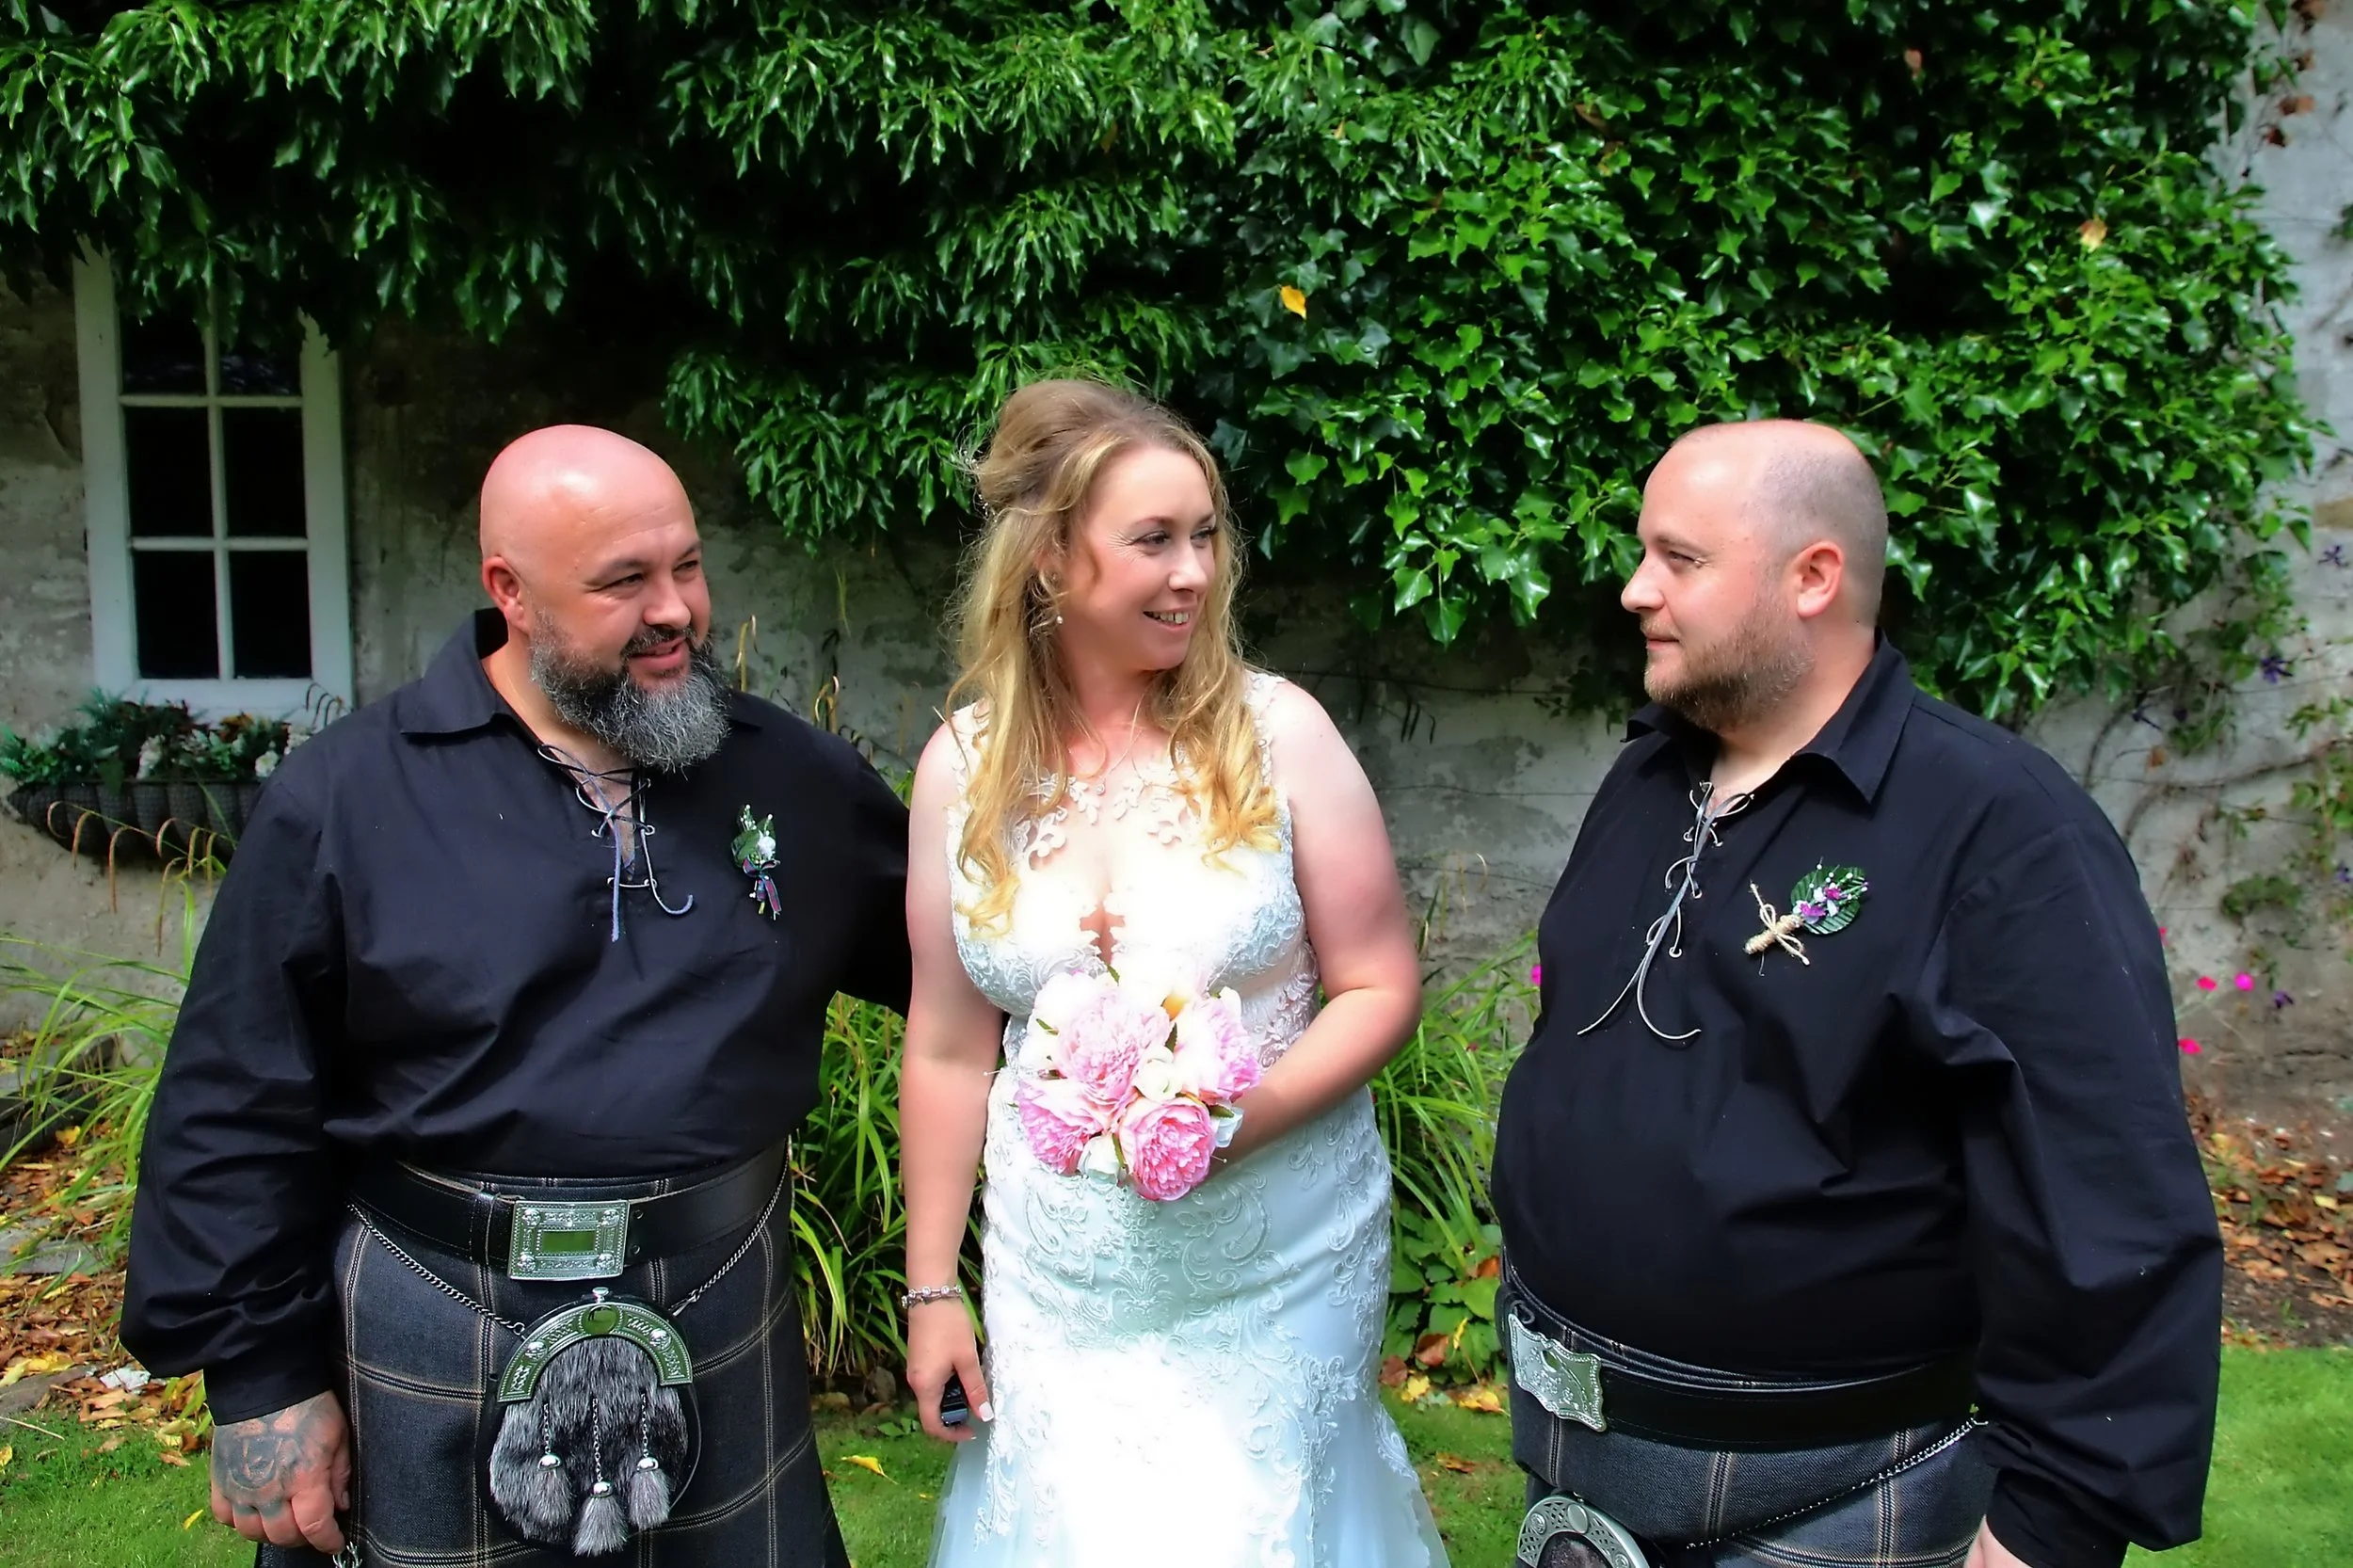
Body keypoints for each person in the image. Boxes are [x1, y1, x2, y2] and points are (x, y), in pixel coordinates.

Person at [122, 425, 912, 1567]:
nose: (676, 610)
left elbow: (968, 974)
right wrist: (259, 1380)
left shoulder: (788, 774)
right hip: (434, 1304)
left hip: (718, 1290)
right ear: (511, 592)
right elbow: (234, 1100)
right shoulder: (351, 797)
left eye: (687, 566)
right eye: (624, 581)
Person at [1492, 420, 2221, 1568]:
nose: (1634, 588)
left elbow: (2106, 1194)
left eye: (1679, 558)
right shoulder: (1647, 776)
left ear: (1813, 576)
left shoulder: (1998, 829)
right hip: (1575, 1463)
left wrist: (2052, 1524)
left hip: (1839, 1495)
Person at [897, 377, 1449, 1566]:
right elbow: (945, 1044)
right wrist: (932, 1286)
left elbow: (1378, 986)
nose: (1194, 572)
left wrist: (1236, 1121)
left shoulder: (1279, 733)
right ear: (1049, 558)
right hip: (1062, 1282)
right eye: (1153, 539)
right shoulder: (962, 768)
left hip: (1278, 1258)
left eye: (1204, 535)